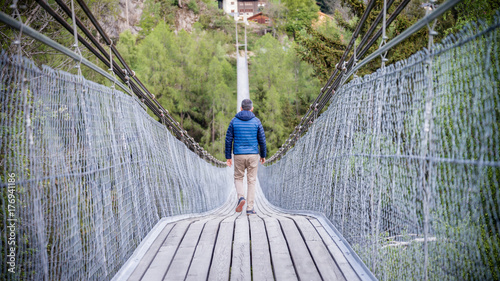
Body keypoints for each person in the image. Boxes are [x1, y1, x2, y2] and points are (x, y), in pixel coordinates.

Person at [225, 99, 266, 215]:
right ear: (252, 108)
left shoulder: (234, 121)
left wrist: (228, 157)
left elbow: (228, 140)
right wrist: (263, 155)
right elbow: (262, 140)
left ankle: (241, 197)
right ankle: (250, 208)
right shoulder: (256, 121)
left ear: (241, 108)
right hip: (253, 154)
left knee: (238, 177)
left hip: (238, 154)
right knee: (251, 181)